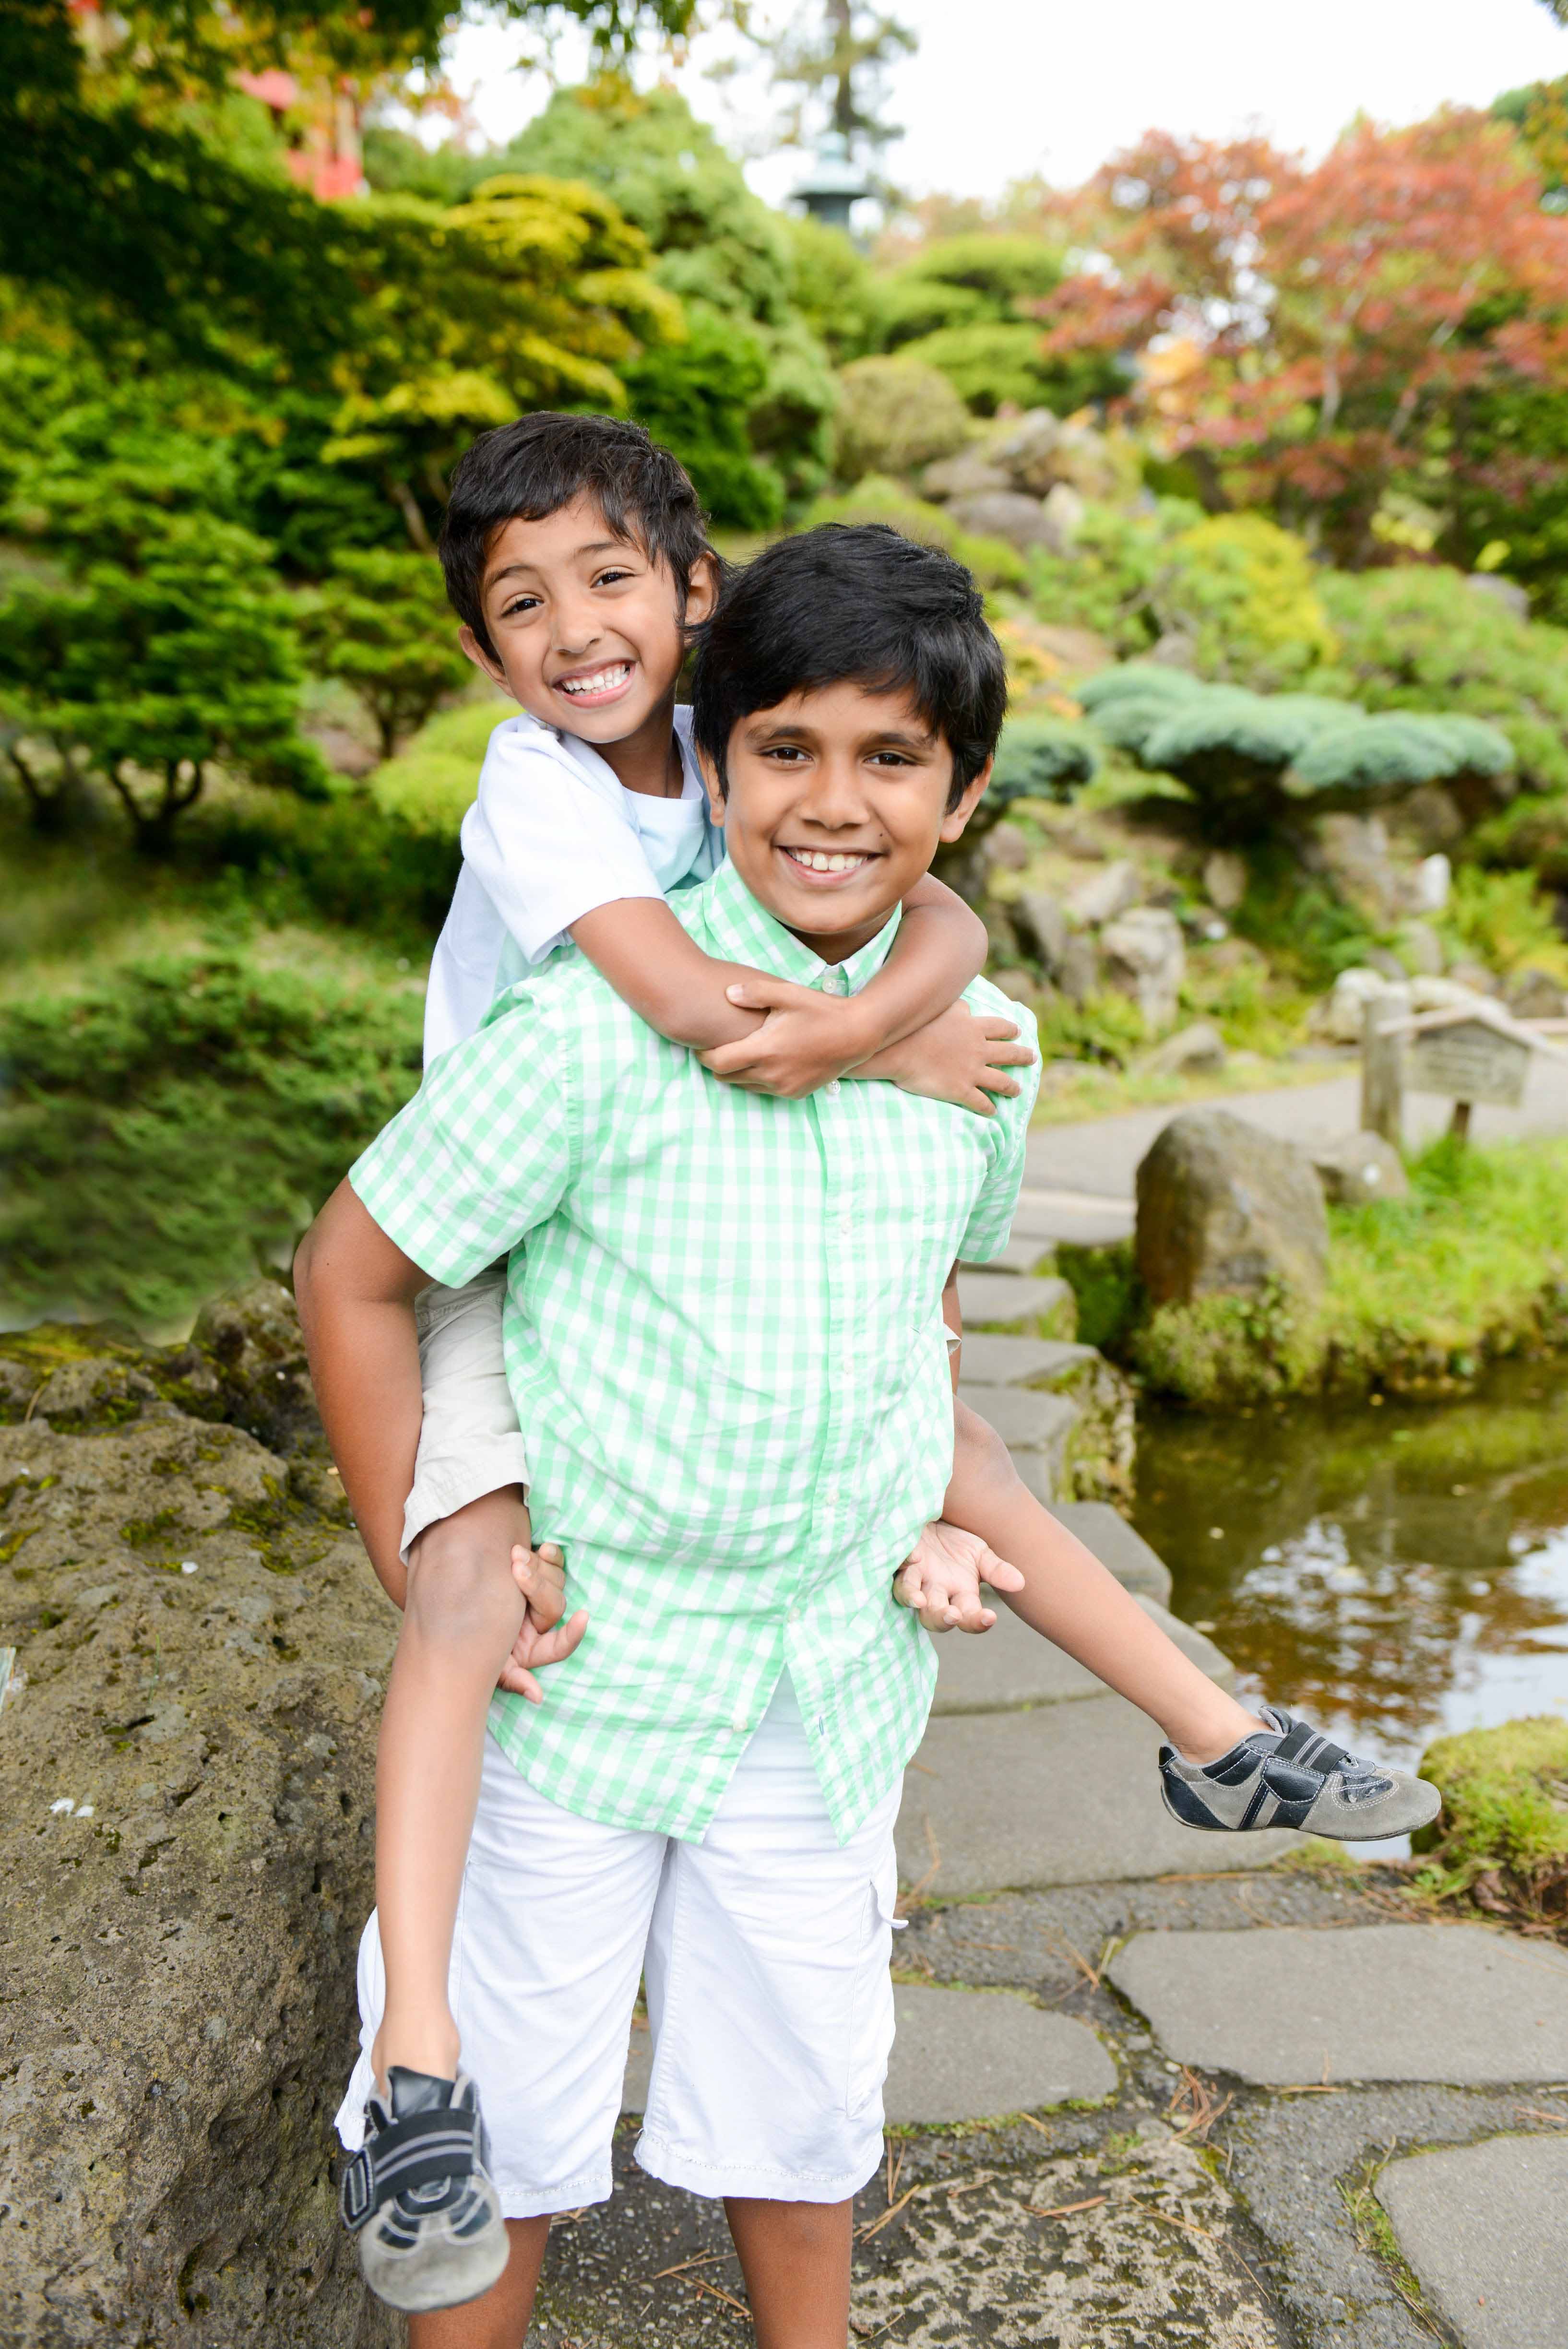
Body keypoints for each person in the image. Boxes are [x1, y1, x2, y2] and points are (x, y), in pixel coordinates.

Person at [295, 523, 1439, 2345]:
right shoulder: (590, 1025)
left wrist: (925, 1513)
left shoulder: (980, 1051)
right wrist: (434, 1545)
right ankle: (419, 2101)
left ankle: (1213, 1735)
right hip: (581, 1679)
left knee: (805, 2110)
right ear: (716, 758)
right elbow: (351, 1271)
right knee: (503, 2138)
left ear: (962, 794)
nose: (833, 803)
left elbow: (921, 1320)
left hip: (820, 1692)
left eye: (891, 759)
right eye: (786, 753)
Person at [310, 413, 1033, 2317]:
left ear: (693, 601)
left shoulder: (752, 760)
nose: (569, 629)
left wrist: (913, 996)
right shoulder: (542, 798)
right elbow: (703, 1017)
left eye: (607, 579)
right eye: (517, 604)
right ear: (482, 652)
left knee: (797, 2097)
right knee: (472, 1588)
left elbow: (925, 905)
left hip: (772, 1585)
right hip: (481, 1234)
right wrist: (893, 1035)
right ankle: (421, 2064)